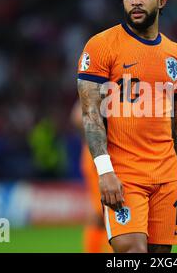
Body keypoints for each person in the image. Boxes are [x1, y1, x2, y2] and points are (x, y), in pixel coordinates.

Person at [76, 0, 177, 253]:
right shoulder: (101, 46)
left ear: (162, 0)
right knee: (133, 252)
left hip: (166, 177)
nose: (135, 0)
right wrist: (105, 171)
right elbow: (91, 114)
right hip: (124, 174)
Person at [71, 100, 111, 253]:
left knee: (103, 212)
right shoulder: (100, 84)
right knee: (104, 210)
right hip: (99, 153)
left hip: (99, 153)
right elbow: (77, 117)